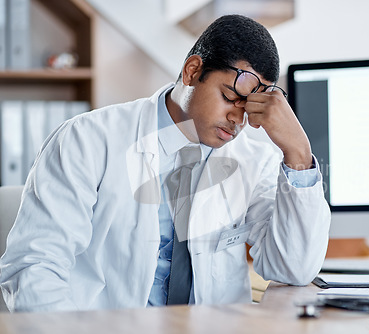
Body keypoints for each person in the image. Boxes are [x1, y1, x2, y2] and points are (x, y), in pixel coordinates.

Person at [0, 14, 331, 312]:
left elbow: (293, 268)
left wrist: (299, 154)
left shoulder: (255, 159)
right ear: (192, 72)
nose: (237, 118)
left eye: (249, 109)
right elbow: (34, 271)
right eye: (230, 97)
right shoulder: (87, 140)